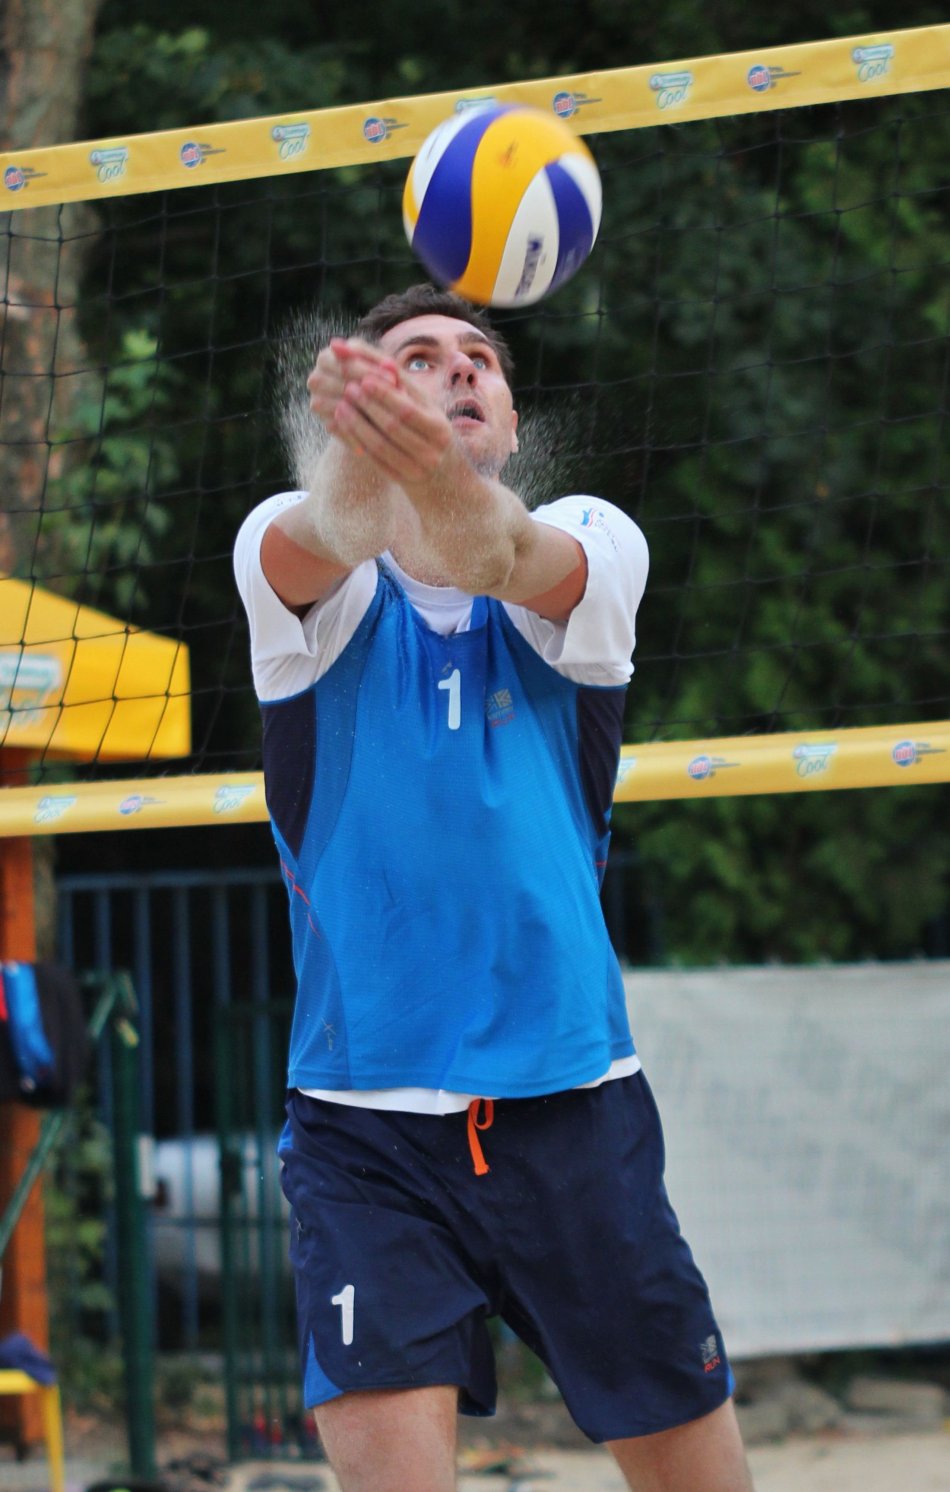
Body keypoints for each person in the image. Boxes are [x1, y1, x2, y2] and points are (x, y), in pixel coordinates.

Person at [234, 282, 754, 1492]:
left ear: (513, 421)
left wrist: (412, 450)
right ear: (354, 413)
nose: (458, 368)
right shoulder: (302, 566)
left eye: (479, 357)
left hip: (573, 1115)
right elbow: (332, 529)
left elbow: (493, 550)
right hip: (364, 1132)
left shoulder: (589, 540)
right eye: (415, 358)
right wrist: (363, 464)